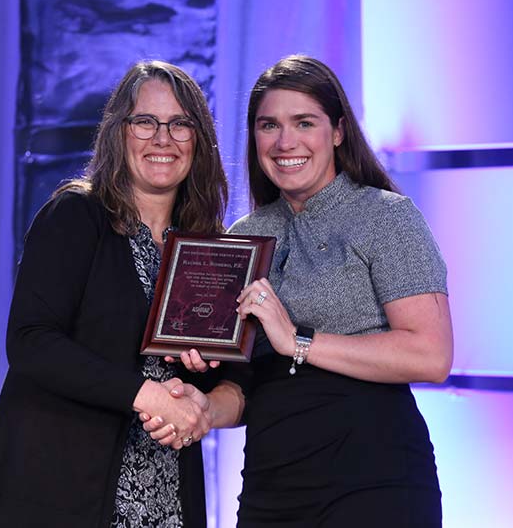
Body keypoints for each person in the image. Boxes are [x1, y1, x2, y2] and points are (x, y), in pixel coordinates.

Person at [147, 55, 453, 527]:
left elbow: (431, 355)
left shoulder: (387, 217)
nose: (285, 142)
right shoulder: (242, 237)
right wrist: (206, 407)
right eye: (269, 125)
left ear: (337, 131)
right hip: (273, 485)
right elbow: (247, 387)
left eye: (304, 122)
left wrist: (299, 341)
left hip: (375, 479)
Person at [0, 60, 230, 528]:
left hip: (163, 500)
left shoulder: (206, 250)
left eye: (180, 124)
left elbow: (209, 386)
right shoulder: (76, 215)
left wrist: (199, 377)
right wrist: (147, 394)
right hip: (52, 492)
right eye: (145, 121)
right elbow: (31, 342)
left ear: (198, 141)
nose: (162, 138)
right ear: (118, 132)